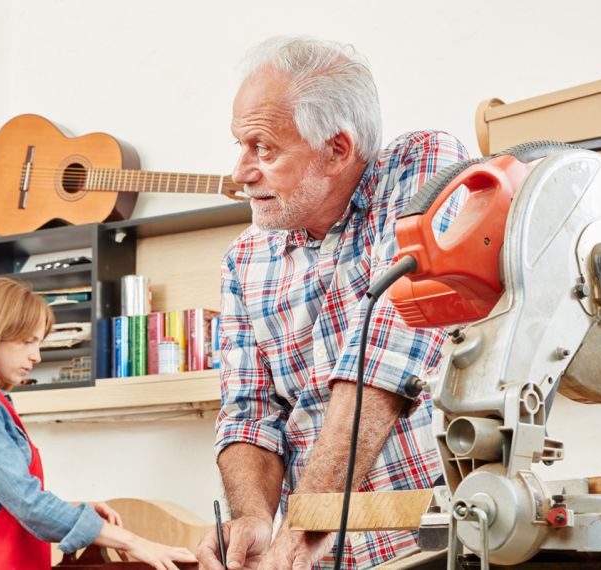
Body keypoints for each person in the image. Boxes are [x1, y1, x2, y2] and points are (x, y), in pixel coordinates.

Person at [197, 36, 469, 570]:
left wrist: (304, 525)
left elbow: (388, 360)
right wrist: (253, 519)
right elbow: (249, 414)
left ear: (337, 149)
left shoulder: (423, 170)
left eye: (264, 149)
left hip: (436, 545)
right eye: (240, 146)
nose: (240, 172)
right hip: (322, 558)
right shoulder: (244, 259)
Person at [0, 278, 197, 569]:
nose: (36, 356)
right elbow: (27, 503)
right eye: (27, 342)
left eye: (39, 343)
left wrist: (75, 510)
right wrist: (136, 543)